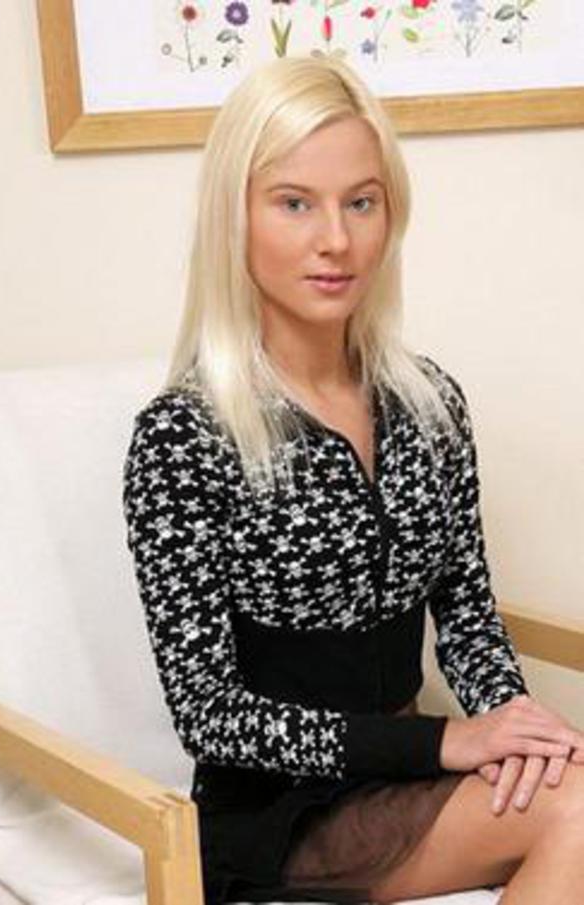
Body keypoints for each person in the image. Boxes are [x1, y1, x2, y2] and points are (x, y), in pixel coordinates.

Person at [122, 54, 584, 905]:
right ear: (234, 216)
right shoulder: (184, 435)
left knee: (571, 788)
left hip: (405, 781)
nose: (335, 239)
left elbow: (468, 616)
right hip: (278, 813)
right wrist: (442, 742)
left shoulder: (429, 404)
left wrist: (516, 733)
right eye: (294, 202)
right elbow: (208, 711)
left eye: (361, 202)